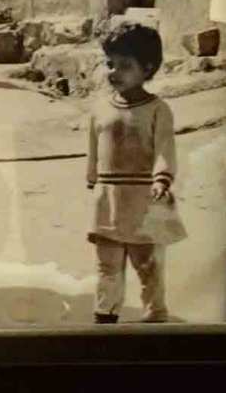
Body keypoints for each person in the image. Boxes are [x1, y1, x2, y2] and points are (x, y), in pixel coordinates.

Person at [86, 22, 187, 324]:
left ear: (147, 68)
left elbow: (164, 148)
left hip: (145, 199)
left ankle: (154, 321)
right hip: (109, 200)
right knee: (107, 267)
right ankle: (105, 319)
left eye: (125, 65)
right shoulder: (100, 108)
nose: (113, 72)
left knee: (149, 267)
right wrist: (92, 180)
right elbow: (94, 148)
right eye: (110, 64)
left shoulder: (158, 109)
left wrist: (162, 178)